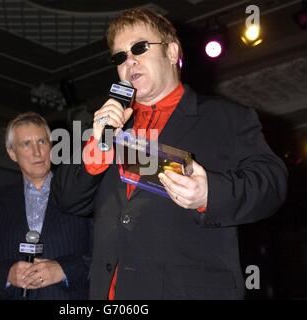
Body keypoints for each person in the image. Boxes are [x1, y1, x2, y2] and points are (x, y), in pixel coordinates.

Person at [51, 8, 288, 300]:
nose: (130, 61)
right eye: (119, 56)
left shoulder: (225, 117)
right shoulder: (107, 126)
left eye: (139, 47)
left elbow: (272, 184)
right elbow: (67, 198)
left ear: (172, 51)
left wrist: (209, 194)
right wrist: (99, 147)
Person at [0, 112, 91, 300]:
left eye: (42, 142)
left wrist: (63, 270)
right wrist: (7, 273)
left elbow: (106, 255)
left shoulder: (83, 194)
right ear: (12, 153)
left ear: (52, 146)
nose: (37, 152)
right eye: (26, 144)